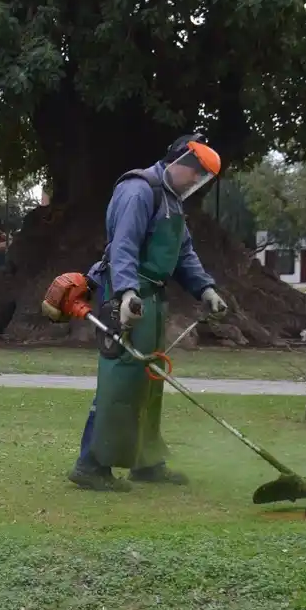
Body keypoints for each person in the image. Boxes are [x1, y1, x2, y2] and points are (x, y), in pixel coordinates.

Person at [69, 133, 229, 491]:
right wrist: (127, 293)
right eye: (196, 172)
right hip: (126, 293)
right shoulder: (138, 190)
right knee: (120, 381)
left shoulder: (172, 201)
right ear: (179, 161)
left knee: (149, 381)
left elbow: (184, 253)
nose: (197, 181)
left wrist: (205, 289)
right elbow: (123, 246)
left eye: (203, 177)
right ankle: (90, 465)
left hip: (153, 296)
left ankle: (147, 463)